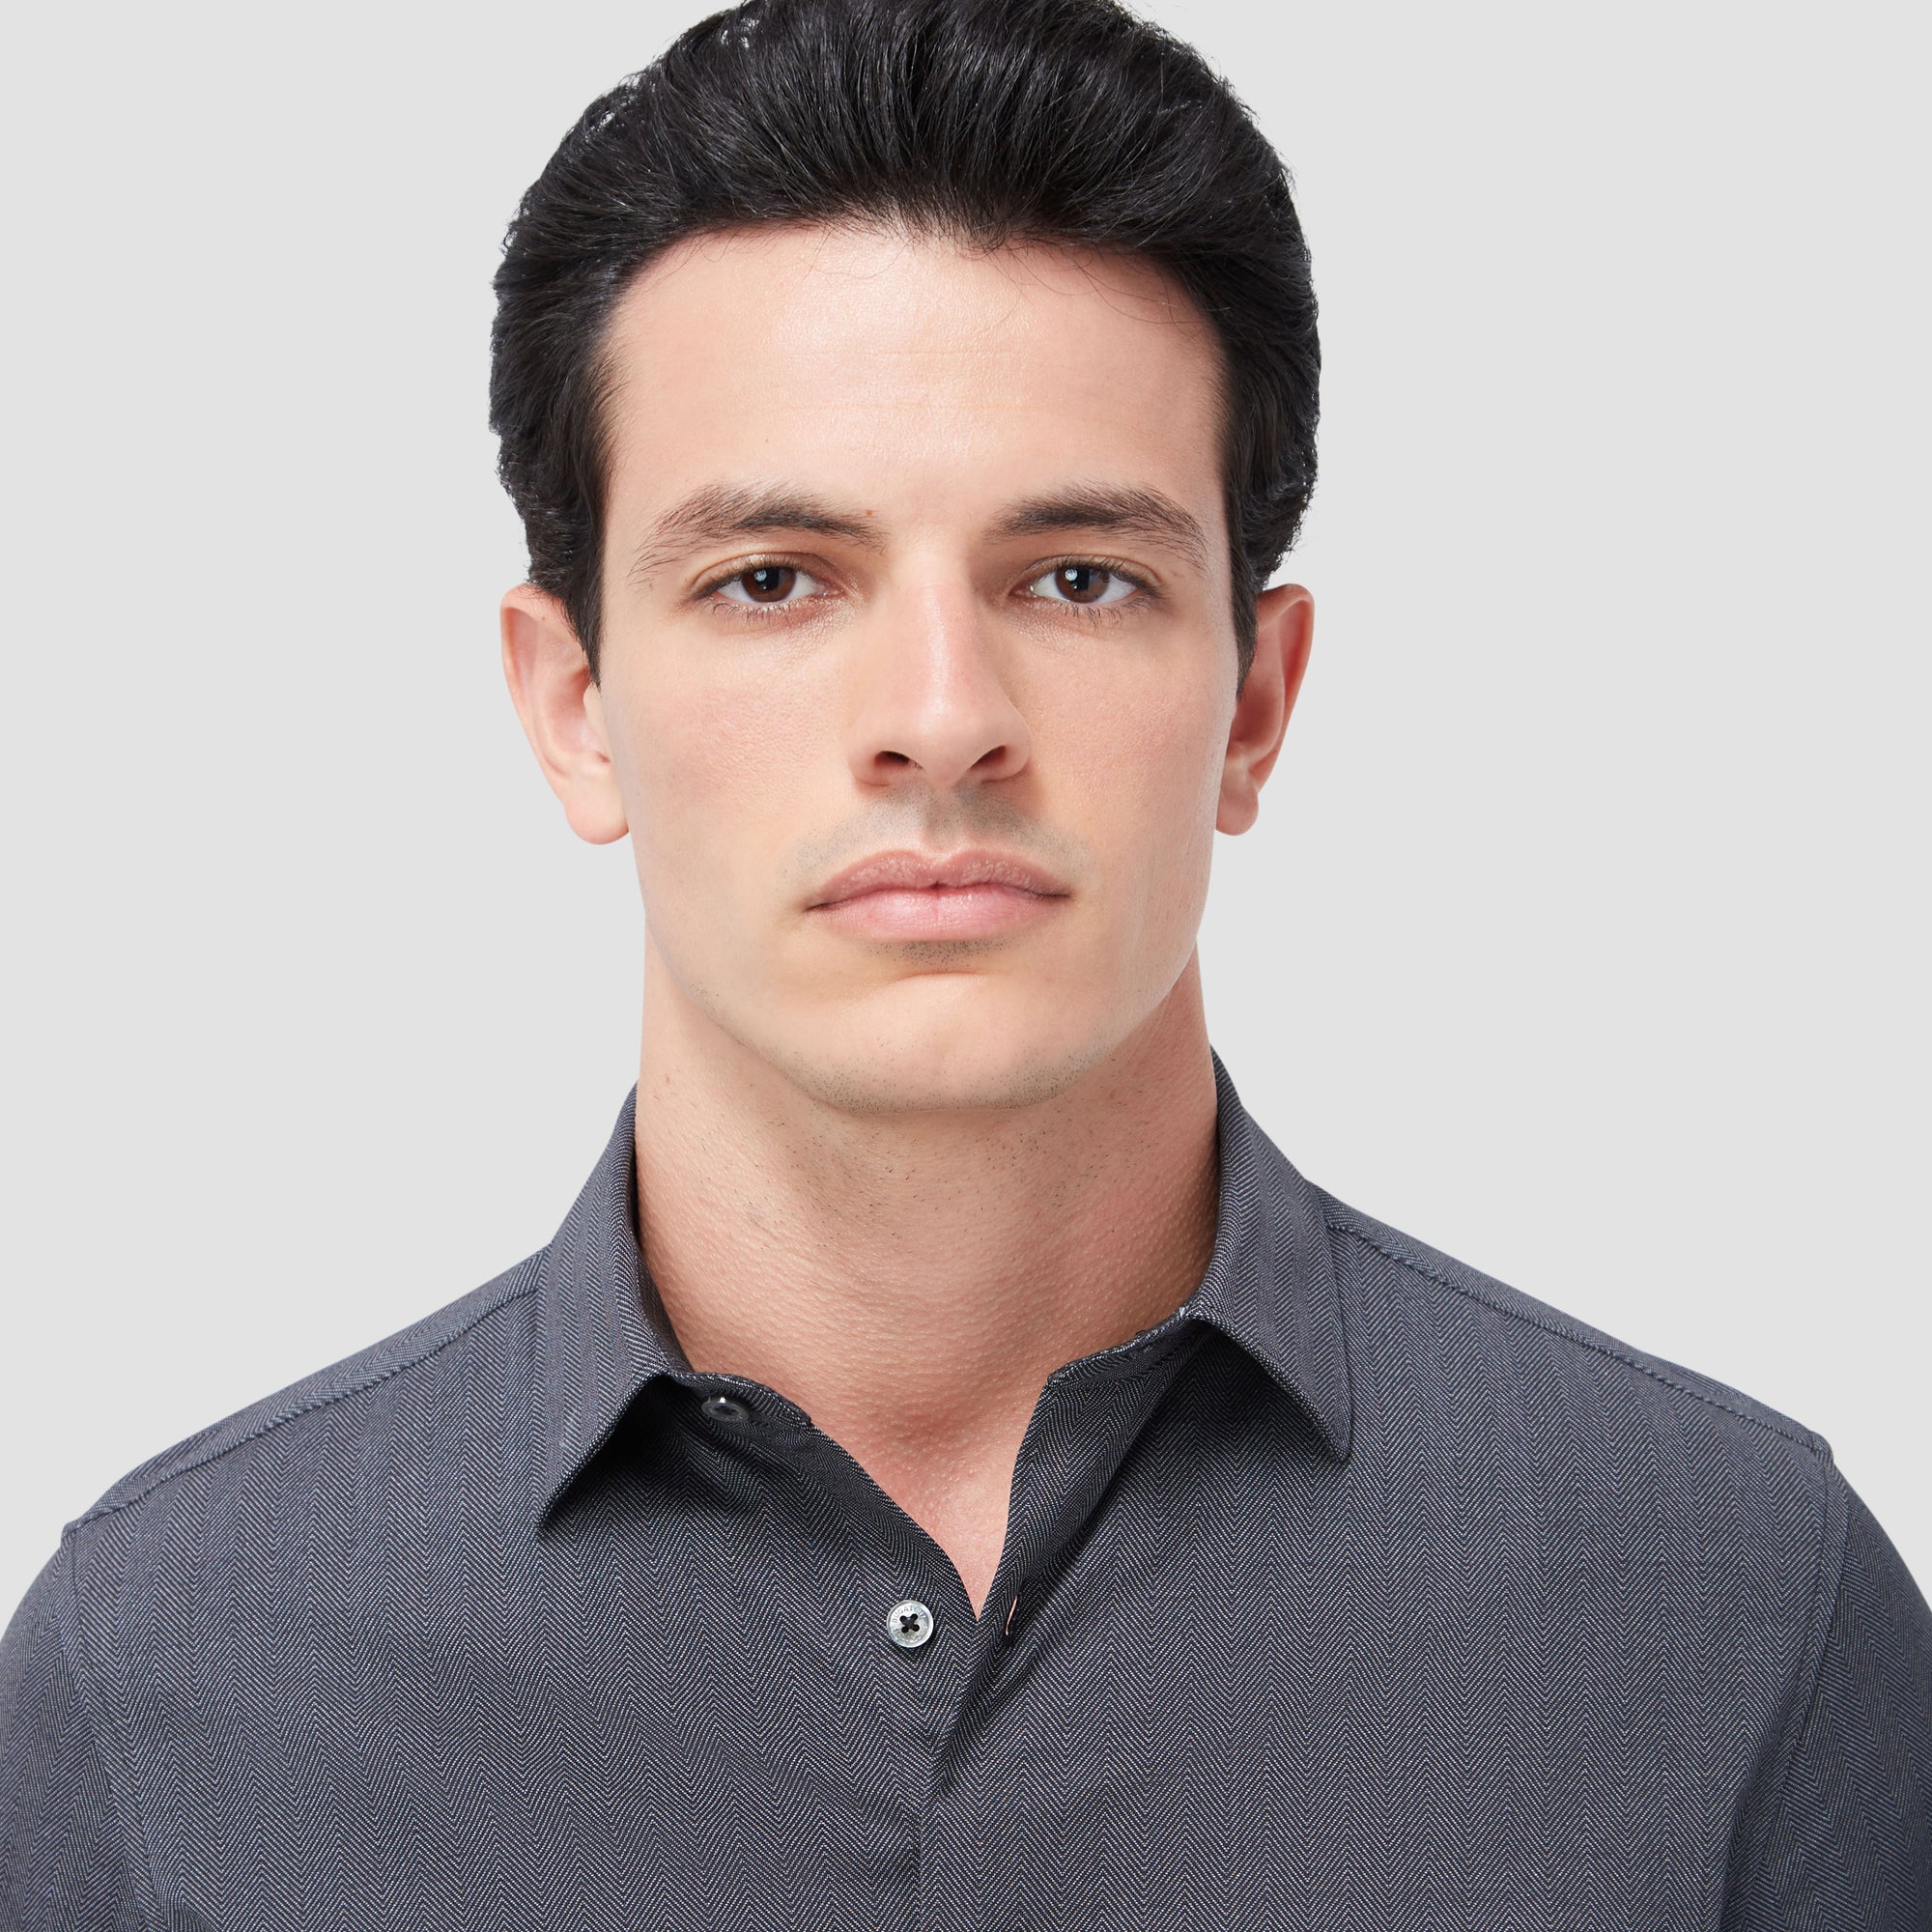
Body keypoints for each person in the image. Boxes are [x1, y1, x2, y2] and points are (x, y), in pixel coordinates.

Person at [4, 0, 1927, 1922]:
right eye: (773, 580)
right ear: (572, 702)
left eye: (1078, 579)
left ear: (1255, 704)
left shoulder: (1740, 1618)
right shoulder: (166, 1684)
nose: (939, 719)